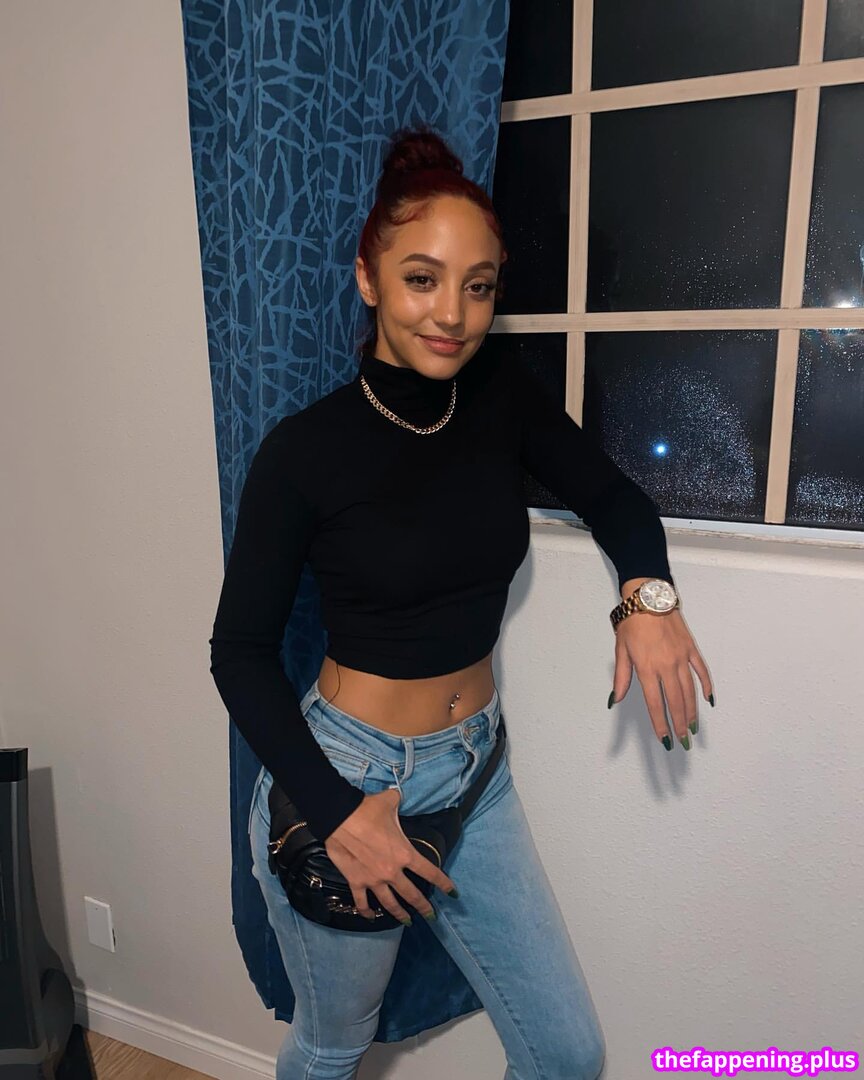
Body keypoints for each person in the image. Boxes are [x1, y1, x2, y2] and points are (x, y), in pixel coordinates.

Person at [209, 123, 714, 1079]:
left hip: (477, 770)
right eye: (422, 278)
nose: (453, 314)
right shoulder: (304, 452)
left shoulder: (498, 400)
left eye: (478, 287)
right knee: (332, 1047)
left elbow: (614, 498)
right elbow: (238, 653)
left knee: (566, 1053)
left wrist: (648, 600)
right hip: (348, 775)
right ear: (368, 280)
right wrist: (337, 812)